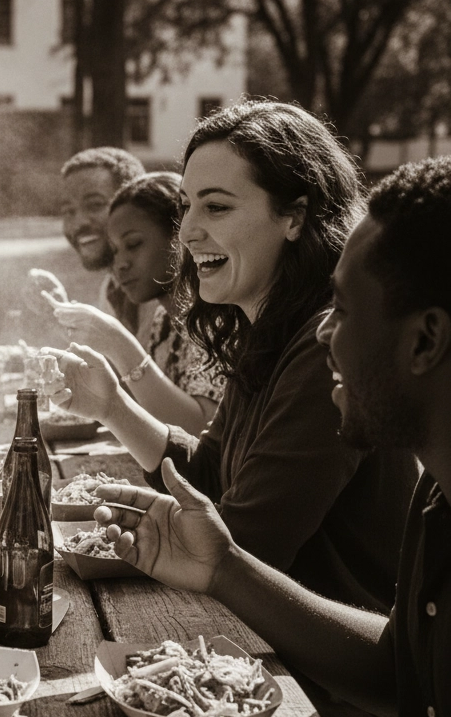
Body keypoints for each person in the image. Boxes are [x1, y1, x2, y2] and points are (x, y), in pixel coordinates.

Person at [96, 157, 451, 717]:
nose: (323, 332)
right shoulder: (438, 496)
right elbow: (401, 674)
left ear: (425, 342)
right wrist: (225, 568)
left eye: (346, 311)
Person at [46, 101, 418, 614]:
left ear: (294, 216)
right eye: (186, 207)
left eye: (216, 207)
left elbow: (242, 546)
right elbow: (211, 473)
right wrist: (112, 407)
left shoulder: (323, 346)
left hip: (321, 677)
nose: (188, 232)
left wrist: (155, 528)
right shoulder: (267, 329)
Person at [44, 172, 223, 435]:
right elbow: (150, 410)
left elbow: (198, 431)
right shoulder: (164, 321)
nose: (120, 263)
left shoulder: (217, 317)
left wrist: (119, 343)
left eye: (134, 244)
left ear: (179, 236)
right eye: (115, 250)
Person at [33, 146, 146, 330]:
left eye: (95, 205)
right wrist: (63, 313)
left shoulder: (164, 290)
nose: (79, 224)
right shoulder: (112, 287)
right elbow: (115, 356)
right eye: (69, 211)